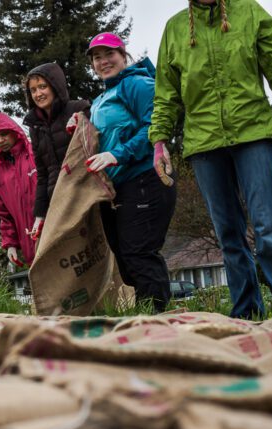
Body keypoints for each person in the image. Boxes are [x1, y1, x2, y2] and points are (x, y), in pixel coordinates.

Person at [150, 0, 272, 318]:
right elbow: (166, 94)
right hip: (203, 144)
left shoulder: (251, 12)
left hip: (253, 133)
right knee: (228, 233)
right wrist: (159, 140)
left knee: (268, 225)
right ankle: (246, 312)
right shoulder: (175, 29)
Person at [86, 32, 176, 312]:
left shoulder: (137, 84)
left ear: (123, 55)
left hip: (146, 178)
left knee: (139, 253)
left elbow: (155, 128)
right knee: (126, 260)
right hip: (120, 186)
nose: (103, 62)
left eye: (109, 54)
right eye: (97, 58)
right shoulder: (104, 96)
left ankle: (157, 319)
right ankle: (149, 315)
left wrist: (117, 154)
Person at [23, 63, 90, 242]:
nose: (38, 94)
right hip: (59, 200)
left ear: (55, 86)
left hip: (87, 194)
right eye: (33, 90)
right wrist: (40, 216)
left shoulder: (79, 109)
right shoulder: (35, 127)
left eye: (43, 87)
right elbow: (43, 175)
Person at [0, 113, 37, 266]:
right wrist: (10, 244)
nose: (0, 140)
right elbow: (4, 214)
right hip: (29, 243)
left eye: (4, 134)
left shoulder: (34, 153)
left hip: (54, 228)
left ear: (14, 131)